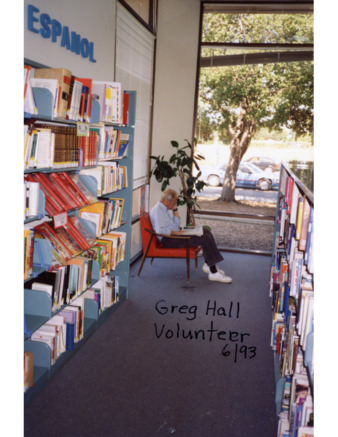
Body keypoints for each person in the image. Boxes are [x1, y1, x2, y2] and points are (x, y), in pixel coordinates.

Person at [149, 188, 232, 283]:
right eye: (175, 202)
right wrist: (175, 233)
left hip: (174, 234)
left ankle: (208, 264)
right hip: (168, 239)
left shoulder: (164, 209)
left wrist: (175, 210)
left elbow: (176, 226)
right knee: (205, 238)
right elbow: (160, 230)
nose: (176, 203)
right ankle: (213, 272)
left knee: (205, 230)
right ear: (168, 201)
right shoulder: (158, 210)